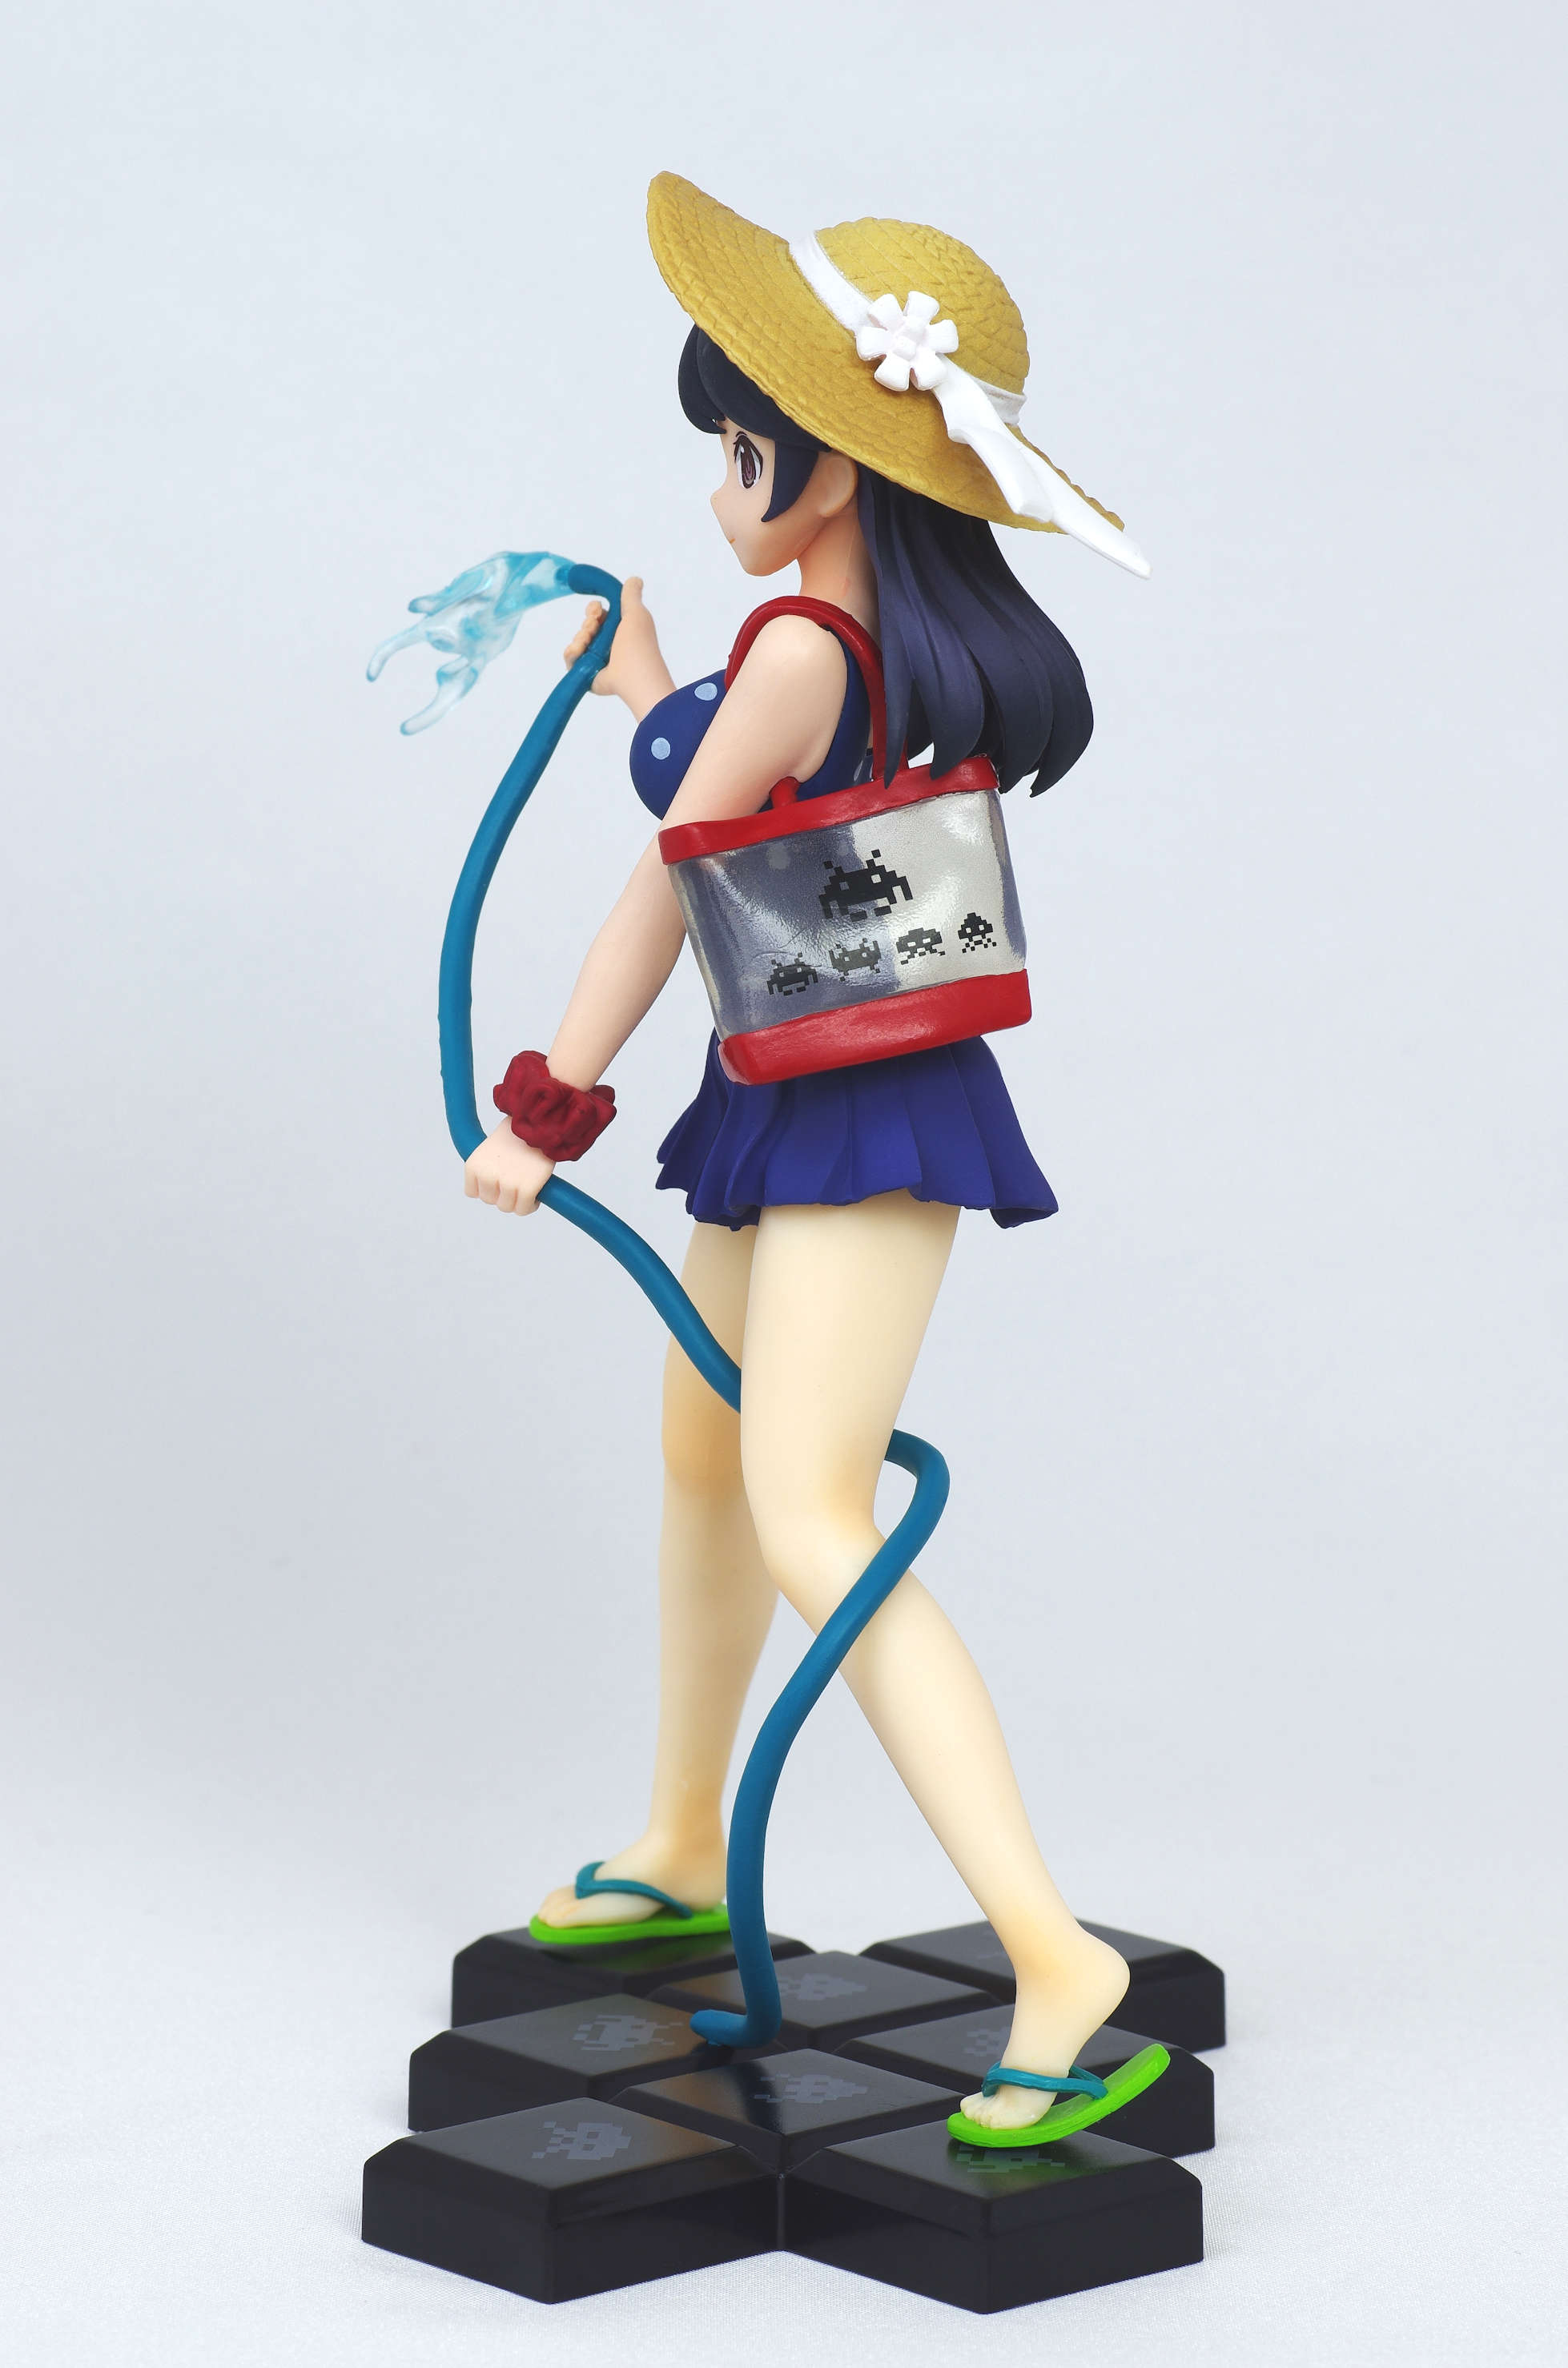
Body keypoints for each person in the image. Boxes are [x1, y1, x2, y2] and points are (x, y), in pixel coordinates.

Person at [462, 175, 1149, 2134]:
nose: (717, 489)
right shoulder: (846, 642)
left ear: (829, 467)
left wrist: (545, 1109)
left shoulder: (794, 652)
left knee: (811, 1512)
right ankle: (685, 1836)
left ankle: (1052, 1953)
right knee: (706, 1454)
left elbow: (666, 887)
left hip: (851, 1117)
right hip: (792, 1091)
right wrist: (648, 688)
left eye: (740, 453)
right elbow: (737, 796)